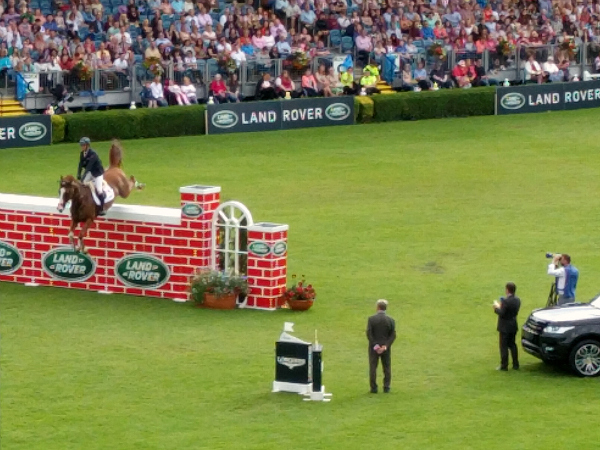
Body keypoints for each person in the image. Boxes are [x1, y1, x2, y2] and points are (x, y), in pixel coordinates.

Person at [366, 299, 396, 393]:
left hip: (373, 348)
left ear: (378, 307)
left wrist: (375, 345)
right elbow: (393, 335)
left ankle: (373, 388)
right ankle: (386, 387)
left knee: (373, 368)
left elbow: (369, 333)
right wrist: (385, 346)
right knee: (386, 367)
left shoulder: (371, 319)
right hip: (385, 348)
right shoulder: (391, 320)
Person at [493, 282, 521, 371]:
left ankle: (504, 365)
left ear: (507, 290)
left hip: (505, 327)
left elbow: (502, 313)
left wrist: (496, 308)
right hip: (513, 325)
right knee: (512, 344)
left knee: (503, 346)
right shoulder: (517, 300)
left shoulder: (506, 301)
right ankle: (515, 364)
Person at [77, 137, 106, 215]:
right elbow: (80, 164)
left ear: (87, 145)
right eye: (81, 145)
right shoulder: (82, 153)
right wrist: (78, 174)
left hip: (97, 174)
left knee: (99, 190)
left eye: (83, 145)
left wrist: (82, 178)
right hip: (91, 172)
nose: (82, 147)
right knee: (82, 184)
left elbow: (88, 167)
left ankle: (102, 208)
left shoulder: (93, 154)